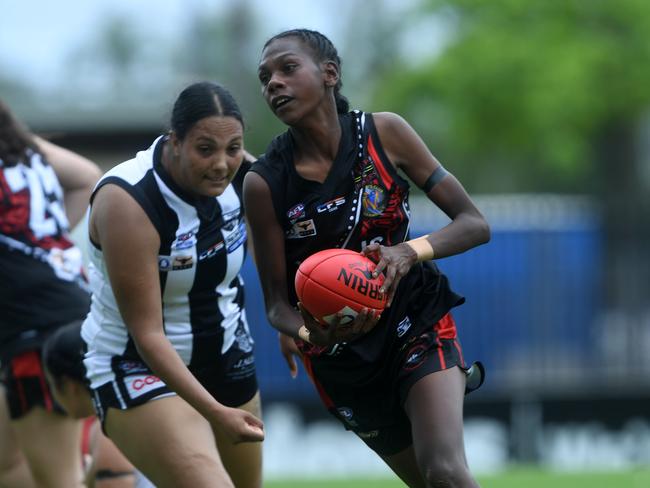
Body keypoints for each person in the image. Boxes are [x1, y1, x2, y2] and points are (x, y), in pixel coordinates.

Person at [244, 29, 491, 488]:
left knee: (446, 472)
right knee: (426, 482)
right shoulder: (264, 183)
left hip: (414, 317)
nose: (273, 83)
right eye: (265, 77)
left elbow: (474, 223)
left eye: (287, 68)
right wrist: (305, 329)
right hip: (341, 357)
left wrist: (407, 252)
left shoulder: (385, 133)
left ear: (330, 74)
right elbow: (277, 305)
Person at [81, 81, 264, 488]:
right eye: (205, 149)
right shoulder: (129, 199)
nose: (221, 164)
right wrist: (215, 412)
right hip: (138, 365)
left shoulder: (244, 176)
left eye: (233, 148)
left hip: (226, 353)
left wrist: (286, 315)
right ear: (175, 141)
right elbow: (147, 333)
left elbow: (278, 242)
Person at [0, 99, 102, 487]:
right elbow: (86, 175)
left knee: (60, 481)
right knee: (7, 467)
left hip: (37, 333)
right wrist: (45, 241)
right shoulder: (24, 152)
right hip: (70, 308)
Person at [42, 321, 155, 488]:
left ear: (68, 386)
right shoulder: (135, 401)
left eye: (50, 384)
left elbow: (115, 482)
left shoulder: (114, 420)